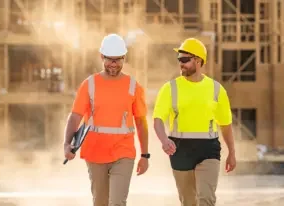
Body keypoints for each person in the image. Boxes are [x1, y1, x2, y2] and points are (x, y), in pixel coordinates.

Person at [63, 33, 150, 206]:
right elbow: (75, 116)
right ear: (101, 57)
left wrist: (145, 155)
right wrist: (67, 143)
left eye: (118, 60)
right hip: (95, 153)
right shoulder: (89, 85)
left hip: (123, 153)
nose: (113, 64)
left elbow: (141, 122)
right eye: (110, 59)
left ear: (124, 58)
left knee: (117, 202)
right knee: (100, 202)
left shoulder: (134, 86)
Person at [152, 38, 236, 206]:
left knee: (206, 199)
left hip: (209, 149)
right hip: (179, 149)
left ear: (198, 61)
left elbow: (225, 124)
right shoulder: (170, 89)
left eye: (185, 59)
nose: (180, 64)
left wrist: (232, 153)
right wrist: (164, 140)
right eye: (179, 60)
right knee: (188, 202)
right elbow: (158, 120)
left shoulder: (217, 89)